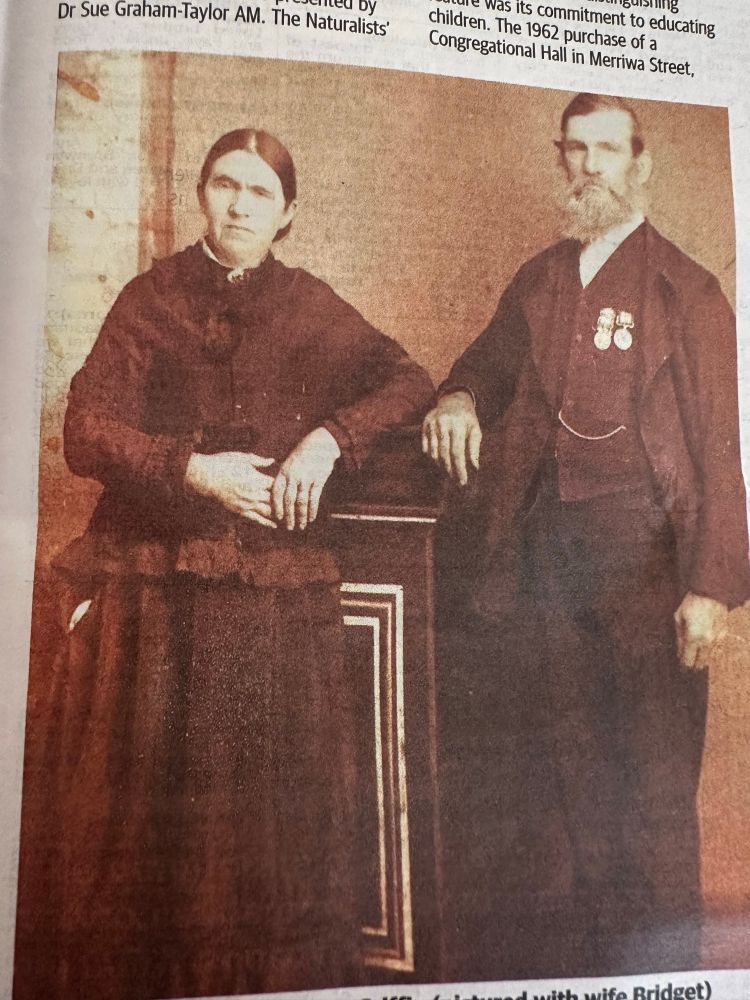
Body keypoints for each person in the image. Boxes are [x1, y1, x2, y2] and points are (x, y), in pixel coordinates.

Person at [14, 127, 433, 1000]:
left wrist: (330, 438)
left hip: (266, 604)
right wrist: (191, 470)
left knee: (257, 834)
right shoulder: (153, 296)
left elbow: (408, 380)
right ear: (201, 193)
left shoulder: (313, 305)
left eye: (260, 193)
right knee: (149, 827)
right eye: (224, 185)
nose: (239, 205)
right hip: (156, 599)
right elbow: (83, 429)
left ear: (288, 215)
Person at [423, 93, 750, 975]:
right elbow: (480, 368)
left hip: (647, 569)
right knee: (561, 785)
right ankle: (581, 972)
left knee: (650, 788)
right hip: (543, 566)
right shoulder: (537, 280)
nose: (591, 167)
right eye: (576, 150)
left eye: (609, 150)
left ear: (642, 163)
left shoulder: (690, 290)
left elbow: (723, 447)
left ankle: (668, 974)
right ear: (559, 159)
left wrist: (712, 588)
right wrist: (456, 398)